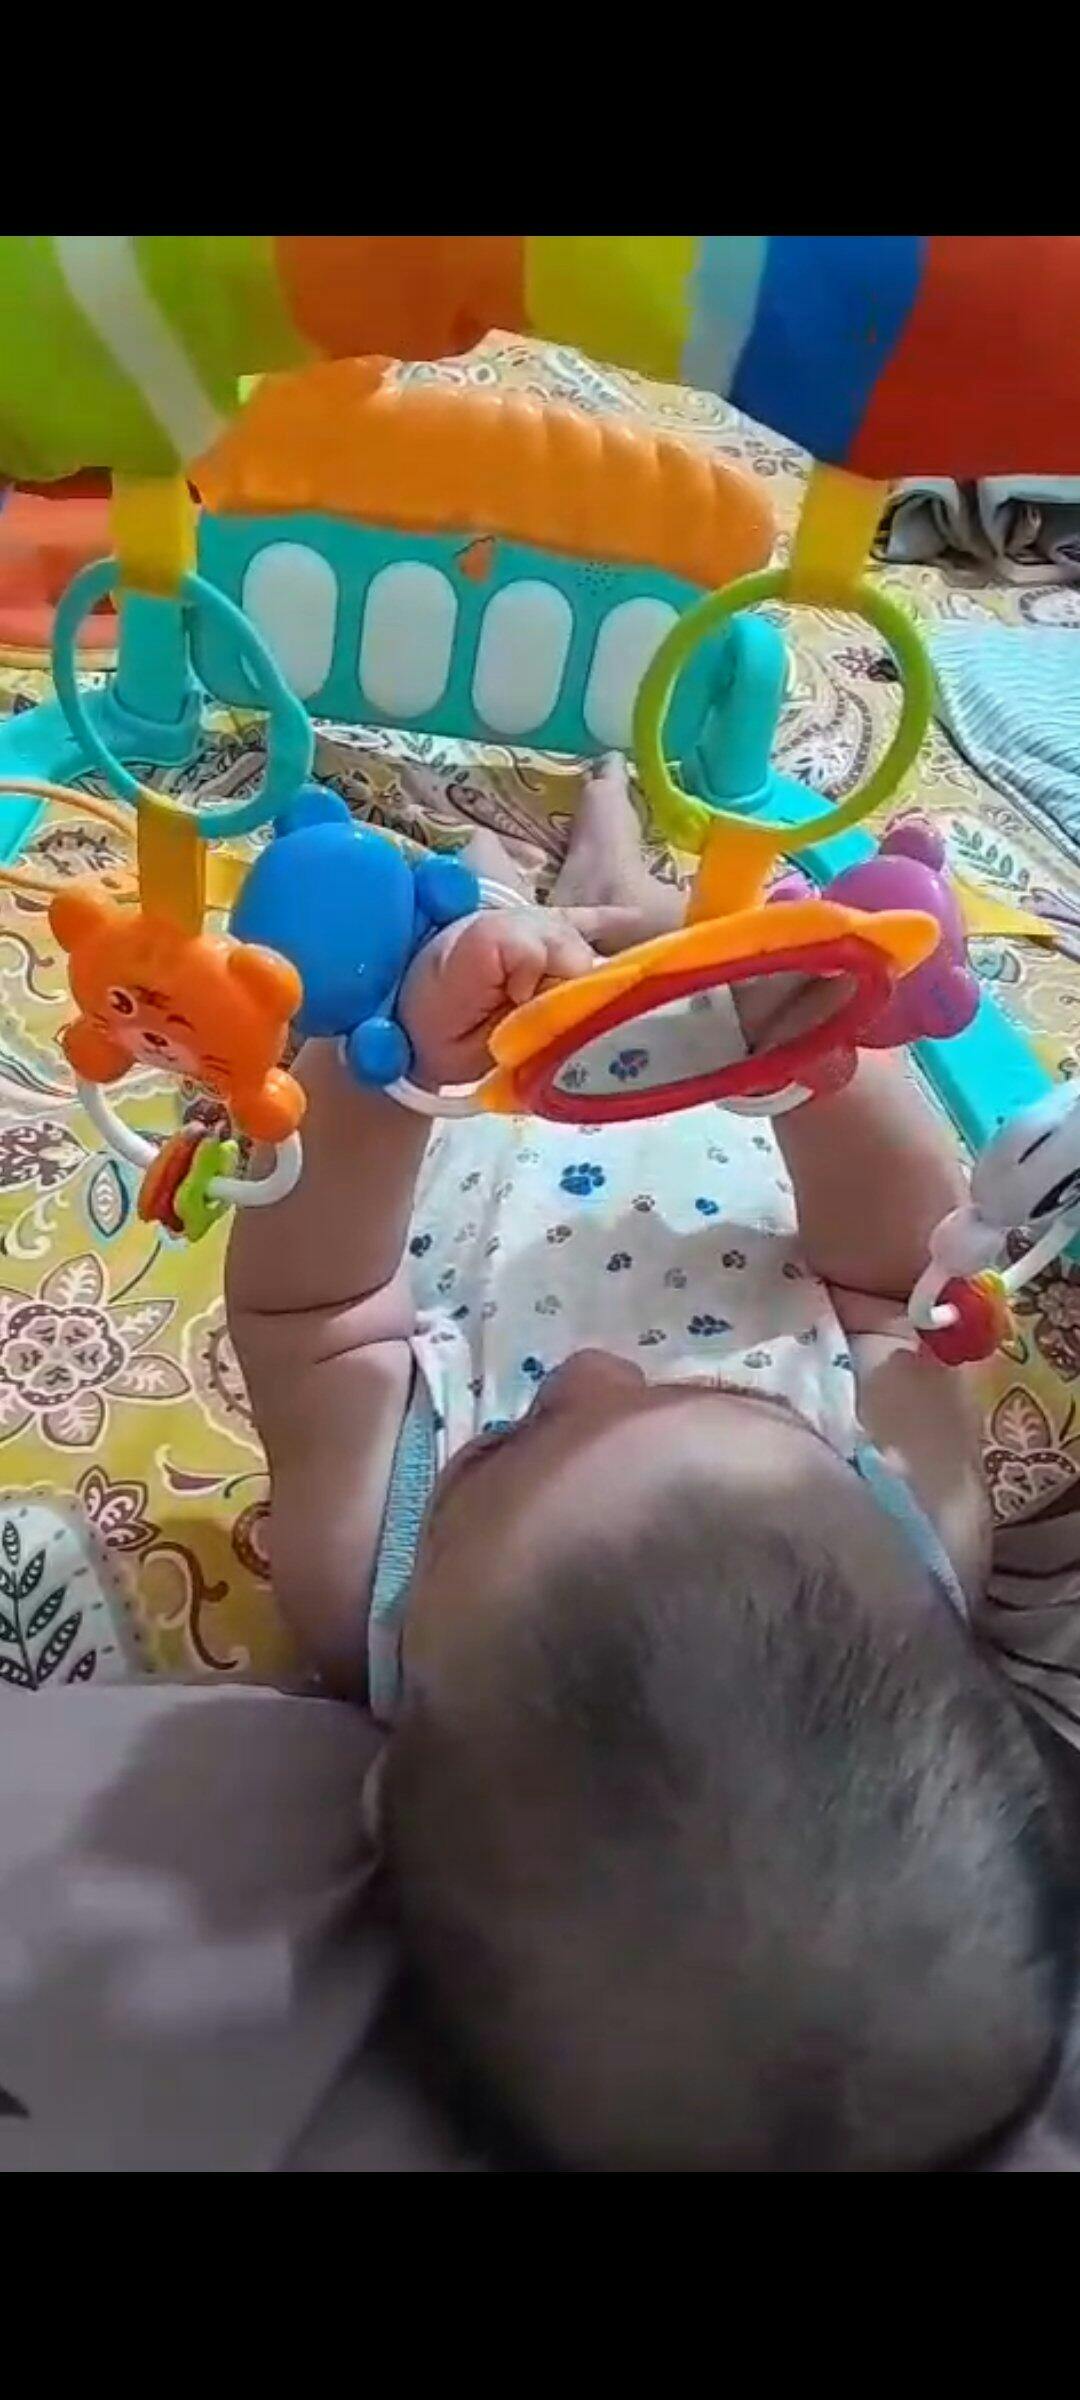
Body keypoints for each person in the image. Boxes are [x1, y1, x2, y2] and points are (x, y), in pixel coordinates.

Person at [227, 757, 1078, 2173]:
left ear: (397, 1781)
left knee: (485, 920)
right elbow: (892, 1275)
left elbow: (312, 1309)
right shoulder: (922, 1520)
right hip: (725, 1094)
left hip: (471, 1113)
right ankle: (618, 842)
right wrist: (807, 1060)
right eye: (712, 1400)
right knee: (652, 925)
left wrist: (397, 1061)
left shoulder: (361, 1580)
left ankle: (554, 857)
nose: (592, 1373)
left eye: (508, 1449)